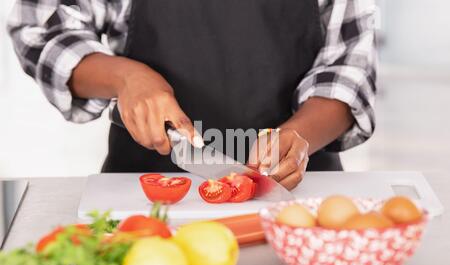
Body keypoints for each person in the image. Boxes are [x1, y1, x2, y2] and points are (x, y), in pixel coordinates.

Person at [8, 0, 377, 190]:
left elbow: (347, 69)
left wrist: (299, 138)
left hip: (297, 193)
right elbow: (41, 30)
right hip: (144, 193)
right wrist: (126, 77)